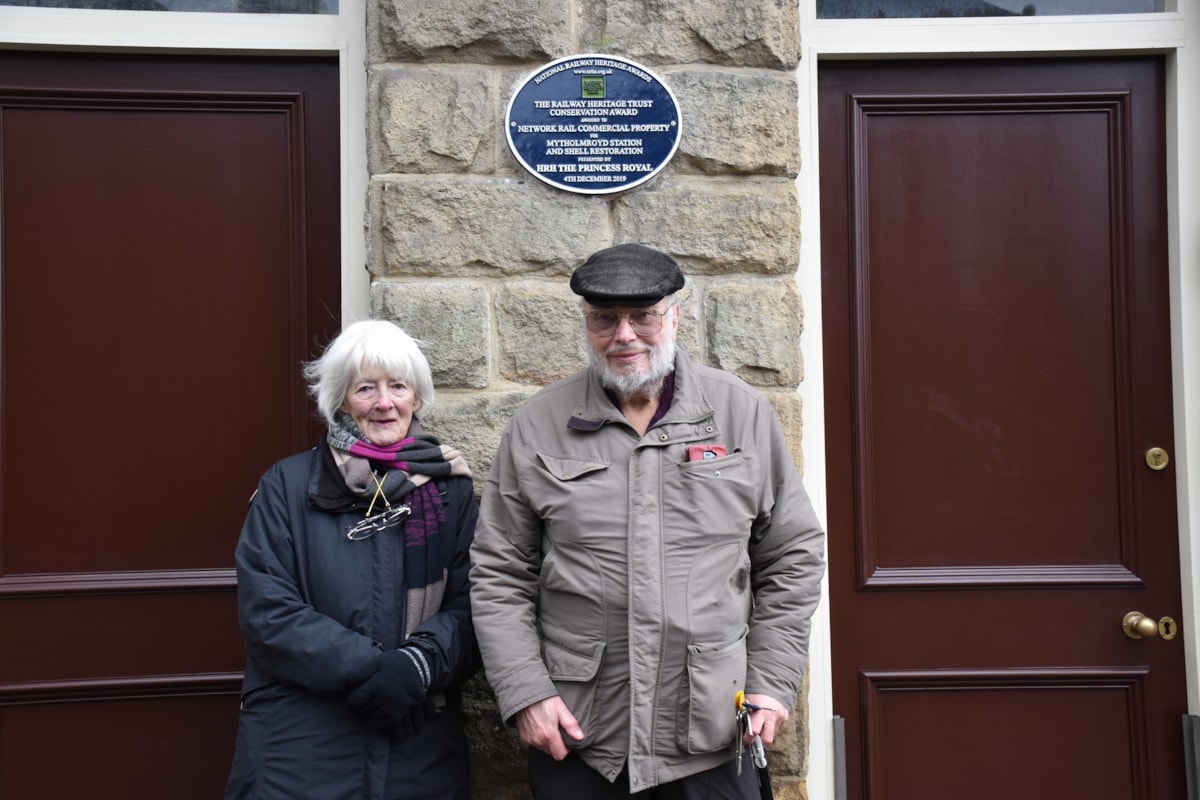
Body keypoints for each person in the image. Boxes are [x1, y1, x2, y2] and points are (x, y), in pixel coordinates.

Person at [469, 243, 827, 798]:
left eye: (644, 317)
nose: (624, 335)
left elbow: (793, 555)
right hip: (579, 736)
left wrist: (772, 684)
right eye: (604, 320)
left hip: (713, 734)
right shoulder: (538, 424)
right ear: (587, 323)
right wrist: (525, 693)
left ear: (675, 316)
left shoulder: (740, 413)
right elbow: (499, 573)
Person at [225, 319, 480, 800]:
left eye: (398, 386)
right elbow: (267, 611)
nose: (385, 403)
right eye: (366, 388)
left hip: (419, 738)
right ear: (341, 399)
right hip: (300, 745)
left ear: (416, 397)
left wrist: (416, 666)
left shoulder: (452, 489)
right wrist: (373, 669)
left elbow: (479, 604)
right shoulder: (286, 486)